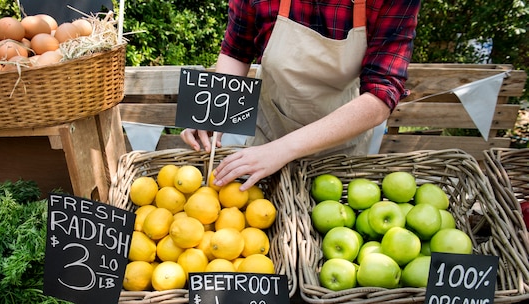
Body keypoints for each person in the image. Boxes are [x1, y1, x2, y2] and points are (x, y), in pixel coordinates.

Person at [180, 0, 421, 190]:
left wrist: (283, 150)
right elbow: (236, 50)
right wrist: (213, 109)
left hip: (340, 150)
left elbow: (380, 95)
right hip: (267, 137)